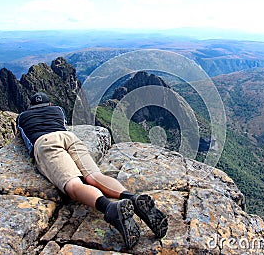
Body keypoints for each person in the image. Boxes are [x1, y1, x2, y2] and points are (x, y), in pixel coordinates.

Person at [16, 92, 168, 249]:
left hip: (46, 142)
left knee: (73, 185)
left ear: (31, 107)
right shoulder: (57, 110)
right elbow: (63, 123)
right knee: (94, 176)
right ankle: (132, 197)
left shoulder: (22, 117)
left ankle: (110, 208)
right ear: (49, 104)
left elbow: (22, 138)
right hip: (69, 138)